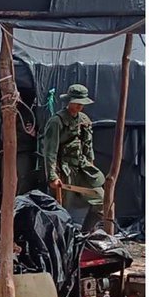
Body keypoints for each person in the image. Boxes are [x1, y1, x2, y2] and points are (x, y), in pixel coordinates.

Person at [42, 84, 106, 233]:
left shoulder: (84, 119)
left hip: (82, 167)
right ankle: (60, 240)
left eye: (82, 103)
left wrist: (91, 164)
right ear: (69, 101)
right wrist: (52, 176)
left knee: (101, 200)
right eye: (77, 103)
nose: (79, 107)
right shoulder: (56, 122)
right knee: (61, 209)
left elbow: (88, 147)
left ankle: (84, 235)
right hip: (64, 169)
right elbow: (50, 151)